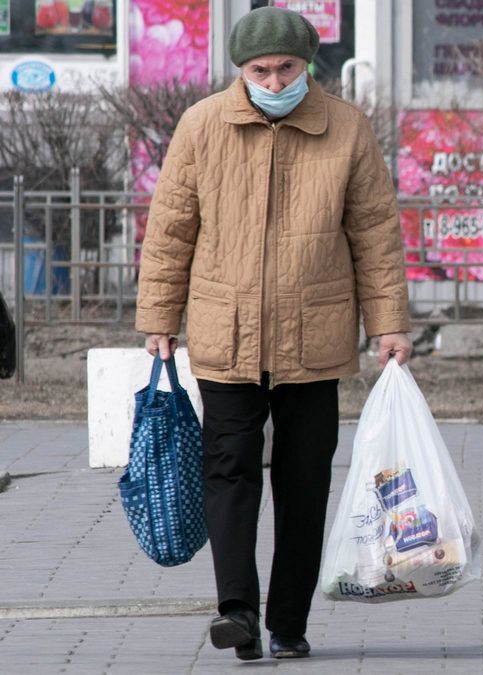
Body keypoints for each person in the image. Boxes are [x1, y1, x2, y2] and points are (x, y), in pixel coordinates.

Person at [135, 7, 411, 661]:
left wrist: (391, 321)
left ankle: (288, 620)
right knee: (228, 470)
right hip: (224, 333)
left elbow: (375, 232)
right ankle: (237, 610)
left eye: (286, 67)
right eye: (260, 70)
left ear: (307, 63)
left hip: (314, 336)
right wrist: (158, 319)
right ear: (241, 71)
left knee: (304, 477)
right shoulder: (202, 125)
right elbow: (171, 228)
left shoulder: (346, 128)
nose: (274, 79)